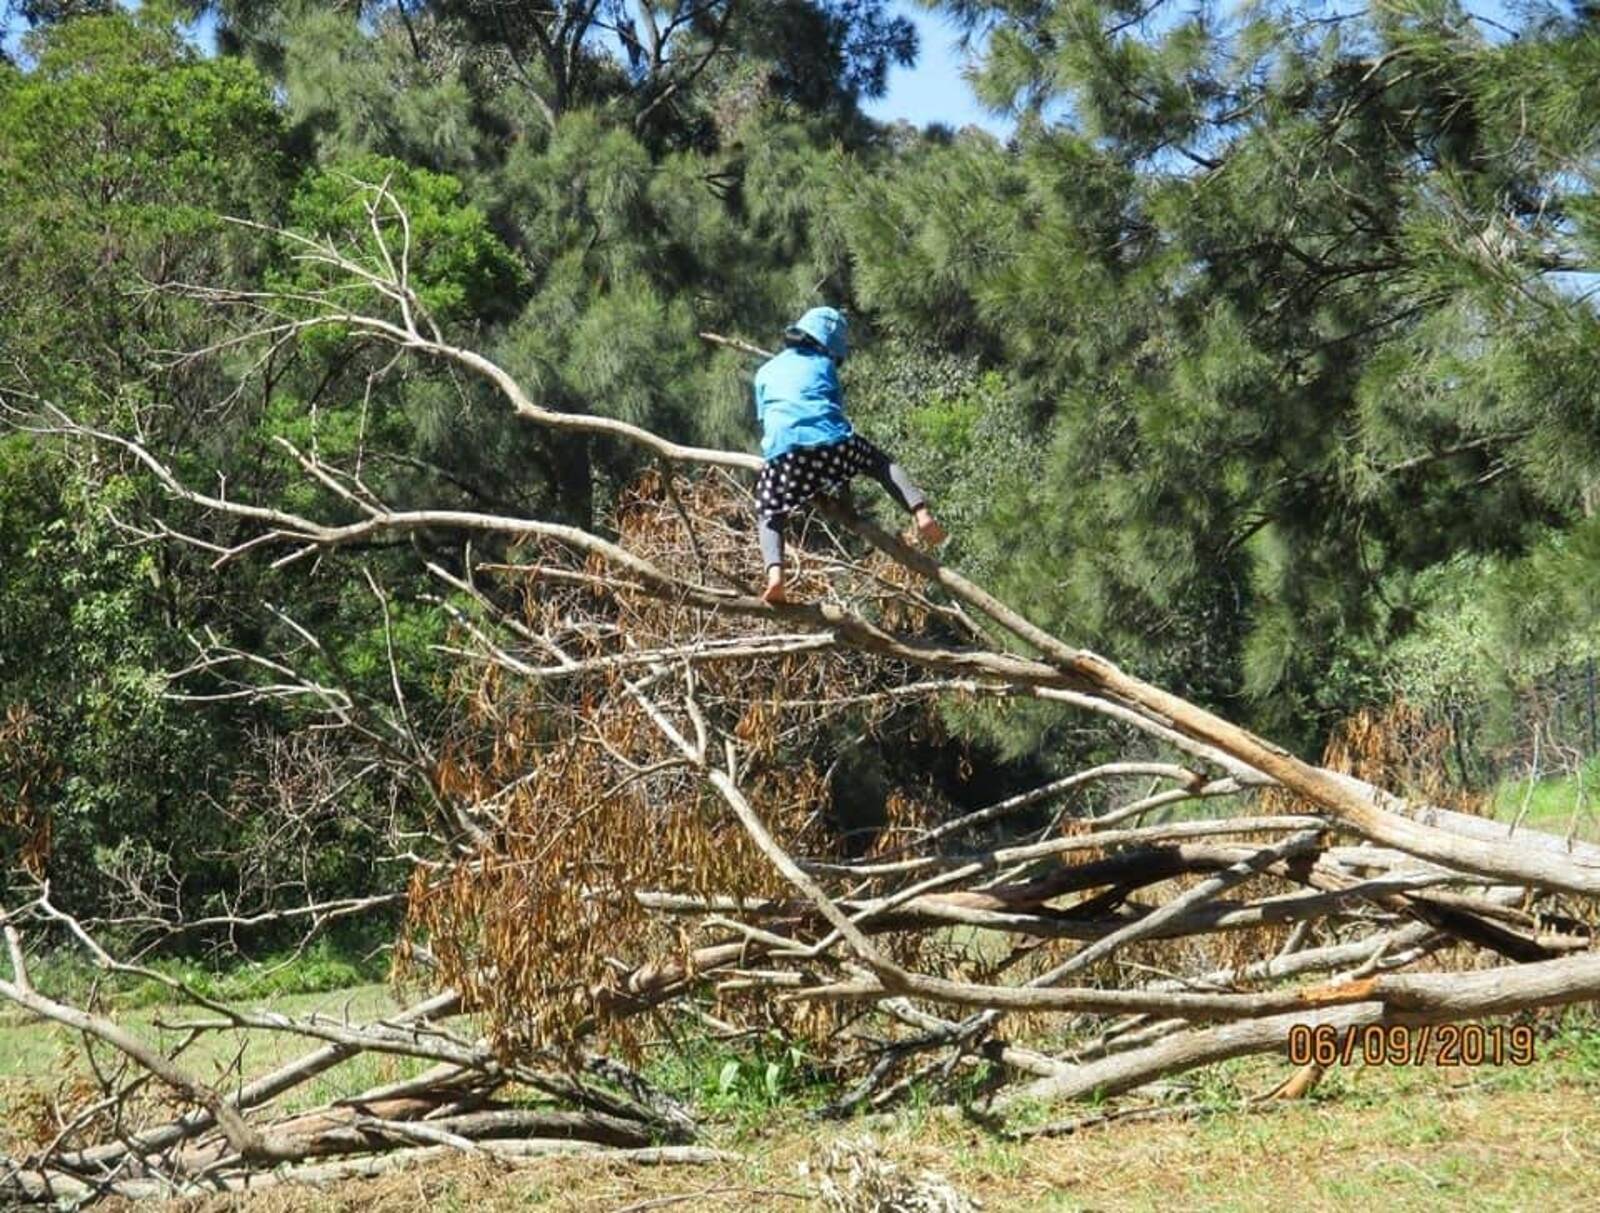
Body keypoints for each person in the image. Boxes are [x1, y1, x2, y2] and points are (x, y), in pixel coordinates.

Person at [752, 306, 946, 604]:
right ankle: (921, 513)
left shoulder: (764, 372)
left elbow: (770, 421)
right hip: (833, 446)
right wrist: (847, 503)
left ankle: (775, 576)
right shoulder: (824, 365)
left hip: (785, 453)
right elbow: (832, 423)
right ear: (829, 346)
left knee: (770, 509)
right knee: (881, 464)